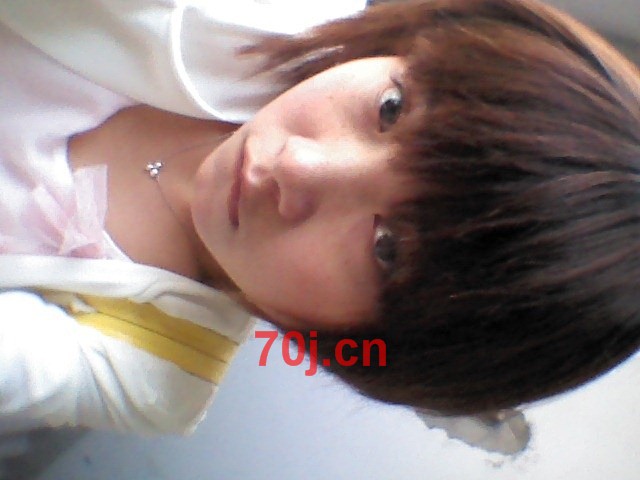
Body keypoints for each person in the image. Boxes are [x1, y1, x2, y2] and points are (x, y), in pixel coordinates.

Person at [0, 0, 639, 444]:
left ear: (375, 345)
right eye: (391, 108)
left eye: (387, 248)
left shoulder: (154, 368)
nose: (297, 165)